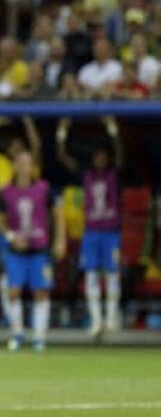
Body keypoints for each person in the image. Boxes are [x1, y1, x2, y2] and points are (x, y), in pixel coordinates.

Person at [56, 116, 123, 337]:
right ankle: (96, 320)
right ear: (93, 159)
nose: (101, 160)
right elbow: (63, 157)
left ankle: (112, 318)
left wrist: (112, 130)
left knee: (113, 274)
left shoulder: (114, 175)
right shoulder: (86, 176)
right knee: (92, 274)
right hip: (92, 232)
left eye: (104, 156)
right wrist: (62, 133)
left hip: (111, 232)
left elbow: (121, 155)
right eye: (97, 157)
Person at [0, 149, 66, 352]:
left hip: (39, 249)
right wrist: (11, 237)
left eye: (28, 163)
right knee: (13, 291)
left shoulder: (44, 189)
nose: (24, 167)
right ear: (15, 166)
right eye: (20, 162)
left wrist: (60, 240)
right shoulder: (7, 192)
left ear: (33, 167)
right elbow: (0, 220)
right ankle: (17, 333)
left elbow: (58, 213)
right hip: (16, 252)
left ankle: (39, 337)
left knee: (41, 292)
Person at [0, 115, 41, 326]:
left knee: (34, 279)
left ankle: (31, 321)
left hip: (30, 227)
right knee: (5, 270)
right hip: (6, 225)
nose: (16, 151)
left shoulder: (30, 168)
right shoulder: (1, 164)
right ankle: (11, 318)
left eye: (20, 148)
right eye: (12, 147)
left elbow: (37, 147)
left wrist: (28, 121)